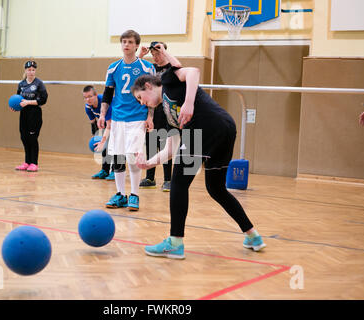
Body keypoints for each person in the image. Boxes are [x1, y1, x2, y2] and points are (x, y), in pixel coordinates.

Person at [132, 46, 266, 259]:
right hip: (223, 128)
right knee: (216, 188)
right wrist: (148, 164)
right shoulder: (167, 115)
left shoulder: (167, 80)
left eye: (140, 98)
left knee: (178, 183)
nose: (142, 103)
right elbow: (171, 149)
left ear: (148, 86)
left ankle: (175, 242)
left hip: (206, 127)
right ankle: (253, 235)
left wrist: (189, 102)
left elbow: (193, 72)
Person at [97, 30, 155, 211]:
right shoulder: (113, 67)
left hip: (137, 117)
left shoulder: (146, 67)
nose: (126, 45)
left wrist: (150, 116)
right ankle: (121, 194)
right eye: (123, 42)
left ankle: (135, 195)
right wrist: (102, 114)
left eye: (130, 42)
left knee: (133, 157)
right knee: (118, 157)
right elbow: (107, 94)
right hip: (118, 118)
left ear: (137, 45)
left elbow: (153, 94)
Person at [137, 41, 182, 192]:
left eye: (158, 53)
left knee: (166, 145)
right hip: (153, 111)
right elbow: (135, 71)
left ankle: (168, 179)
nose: (155, 57)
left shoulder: (171, 67)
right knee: (151, 143)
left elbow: (179, 68)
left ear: (163, 52)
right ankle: (150, 178)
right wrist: (141, 55)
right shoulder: (151, 68)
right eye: (153, 54)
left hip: (168, 111)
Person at [12, 60, 48, 172]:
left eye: (33, 70)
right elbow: (18, 98)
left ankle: (34, 163)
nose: (31, 72)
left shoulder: (39, 84)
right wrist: (15, 106)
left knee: (32, 138)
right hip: (24, 114)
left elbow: (43, 100)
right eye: (29, 70)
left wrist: (28, 102)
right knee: (24, 137)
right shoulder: (21, 84)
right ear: (25, 70)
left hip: (34, 114)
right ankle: (27, 162)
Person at [83, 85, 114, 180]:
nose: (88, 99)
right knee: (104, 145)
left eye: (90, 96)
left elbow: (110, 125)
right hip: (107, 122)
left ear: (96, 95)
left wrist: (103, 141)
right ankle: (105, 170)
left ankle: (115, 171)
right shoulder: (88, 107)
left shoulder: (105, 104)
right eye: (85, 97)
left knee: (115, 146)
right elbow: (93, 123)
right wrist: (96, 138)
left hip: (118, 121)